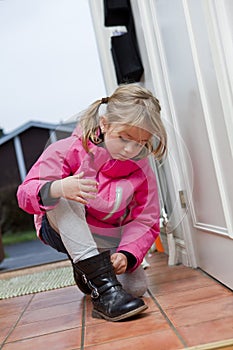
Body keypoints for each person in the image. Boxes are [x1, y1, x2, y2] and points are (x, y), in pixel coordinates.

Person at [17, 84, 167, 322]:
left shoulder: (141, 169)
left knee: (136, 288)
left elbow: (145, 220)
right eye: (124, 138)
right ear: (105, 124)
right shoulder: (67, 150)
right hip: (61, 227)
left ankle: (89, 270)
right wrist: (57, 188)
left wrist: (127, 255)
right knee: (65, 194)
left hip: (107, 238)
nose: (131, 149)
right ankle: (104, 291)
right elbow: (24, 194)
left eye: (140, 143)